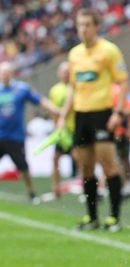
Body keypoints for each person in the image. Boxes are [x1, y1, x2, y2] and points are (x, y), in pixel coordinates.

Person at [58, 8, 129, 232]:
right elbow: (72, 88)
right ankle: (91, 218)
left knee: (108, 164)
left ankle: (114, 218)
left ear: (96, 26)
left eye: (88, 24)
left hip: (102, 113)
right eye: (80, 24)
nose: (83, 29)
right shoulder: (74, 54)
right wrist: (63, 115)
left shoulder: (109, 51)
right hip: (81, 115)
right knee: (86, 168)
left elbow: (123, 82)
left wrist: (117, 112)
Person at [0, 61, 58, 203]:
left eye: (7, 72)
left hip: (16, 137)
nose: (4, 75)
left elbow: (40, 100)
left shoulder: (22, 89)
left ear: (12, 74)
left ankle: (31, 191)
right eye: (2, 73)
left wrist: (56, 110)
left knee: (23, 166)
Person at [48, 61, 77, 199]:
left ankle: (86, 188)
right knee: (55, 158)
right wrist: (57, 127)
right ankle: (56, 189)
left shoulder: (76, 87)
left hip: (75, 130)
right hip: (62, 131)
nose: (66, 74)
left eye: (68, 71)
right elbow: (54, 112)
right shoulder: (55, 90)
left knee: (80, 159)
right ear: (59, 73)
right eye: (63, 71)